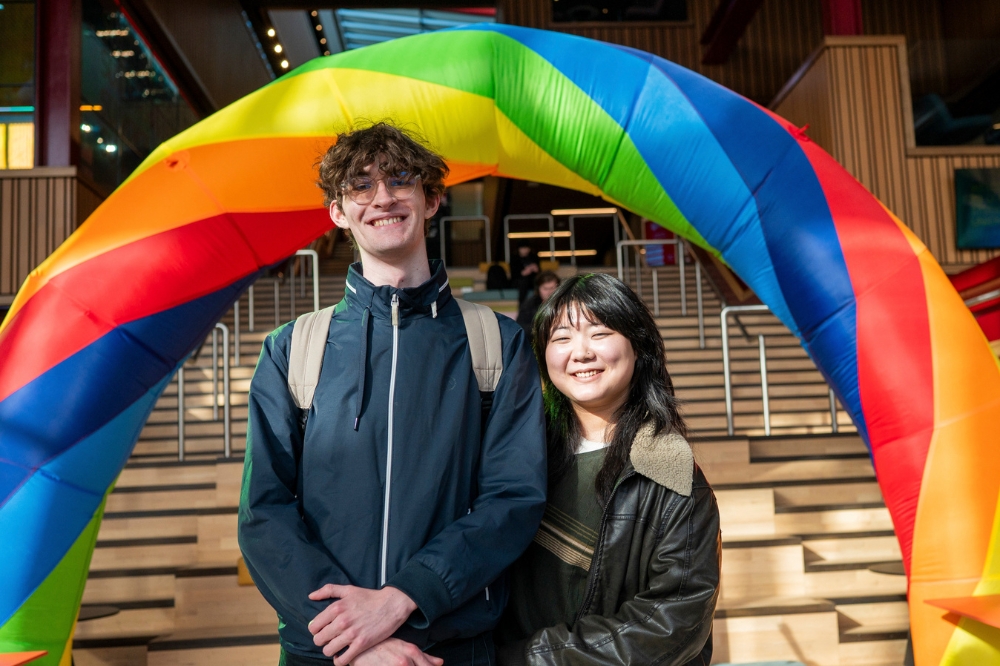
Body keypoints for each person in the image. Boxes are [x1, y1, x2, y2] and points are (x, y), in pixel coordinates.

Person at [238, 122, 548, 666]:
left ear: (431, 200)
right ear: (338, 212)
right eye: (360, 185)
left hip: (449, 645)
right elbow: (264, 511)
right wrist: (357, 640)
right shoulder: (293, 350)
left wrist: (404, 598)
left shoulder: (496, 343)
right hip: (326, 652)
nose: (382, 197)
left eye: (401, 179)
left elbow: (513, 498)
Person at [496, 273, 721, 665]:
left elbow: (672, 625)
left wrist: (531, 659)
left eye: (599, 333)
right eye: (561, 338)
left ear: (639, 346)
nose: (580, 353)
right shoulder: (513, 453)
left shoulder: (672, 472)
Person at [515, 271, 561, 338]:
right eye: (545, 289)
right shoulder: (528, 305)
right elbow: (520, 328)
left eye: (552, 288)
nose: (549, 292)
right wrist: (540, 329)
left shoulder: (566, 303)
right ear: (538, 289)